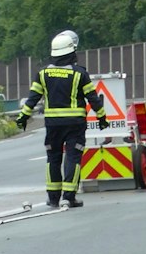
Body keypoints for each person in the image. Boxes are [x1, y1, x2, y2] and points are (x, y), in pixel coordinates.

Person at [15, 30, 110, 210]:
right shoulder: (80, 74)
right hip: (75, 124)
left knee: (53, 158)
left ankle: (53, 198)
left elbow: (33, 98)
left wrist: (23, 117)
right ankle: (69, 198)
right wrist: (102, 117)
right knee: (73, 158)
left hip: (53, 125)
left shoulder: (43, 74)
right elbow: (93, 98)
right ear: (71, 52)